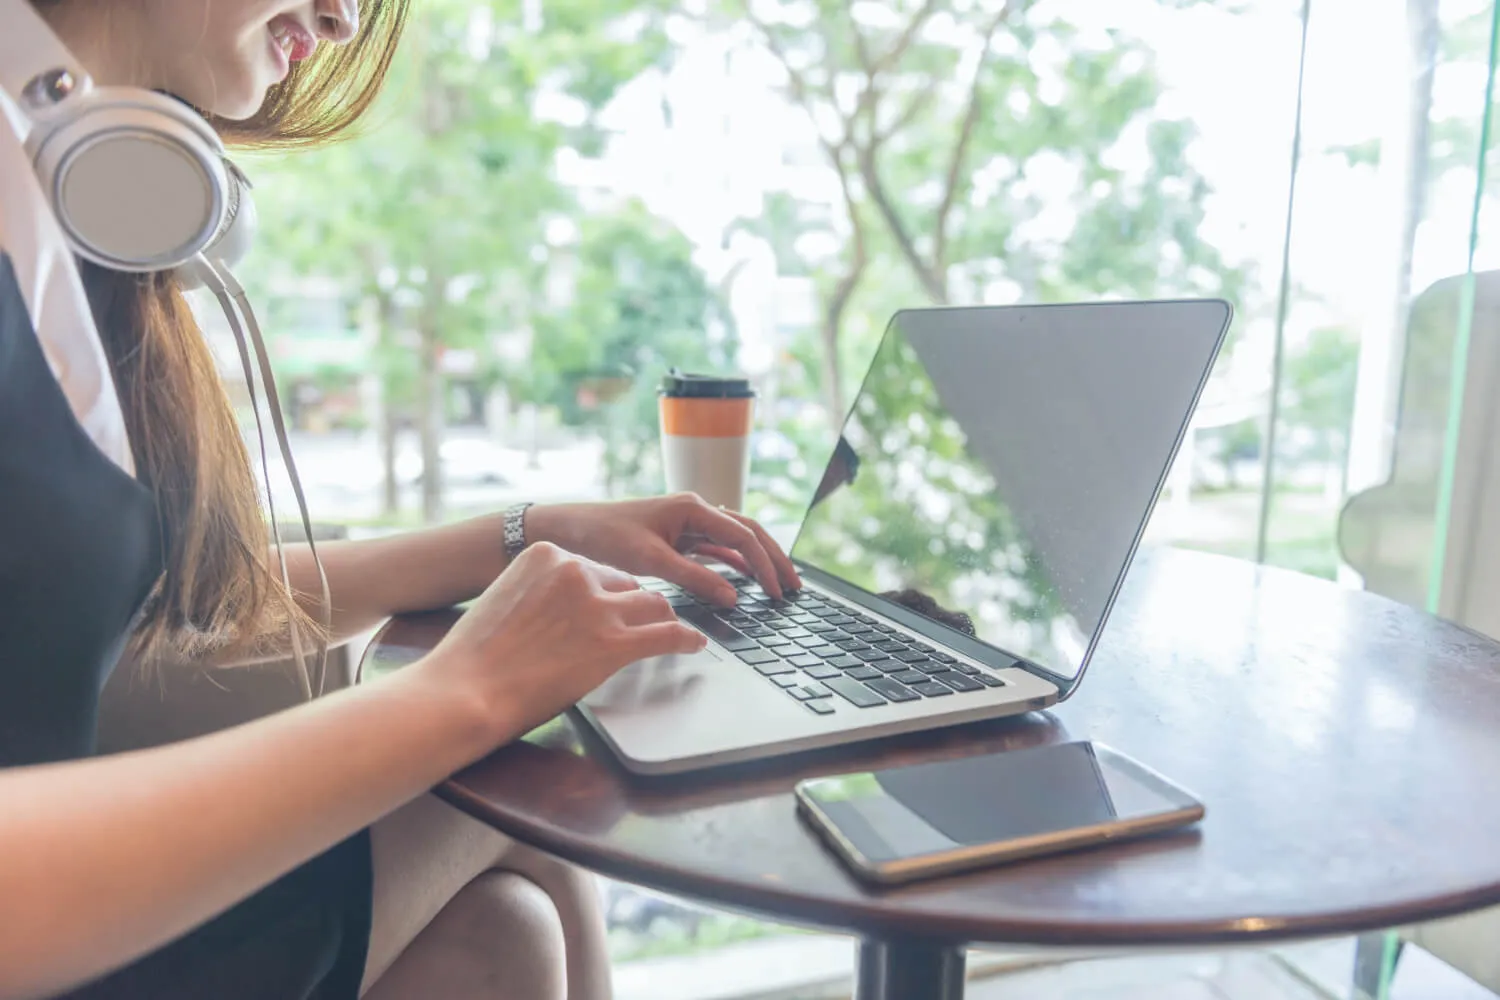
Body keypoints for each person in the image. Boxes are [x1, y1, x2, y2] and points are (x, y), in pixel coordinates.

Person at [0, 2, 802, 999]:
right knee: (508, 801)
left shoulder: (43, 176)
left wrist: (523, 535)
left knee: (508, 931)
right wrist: (460, 695)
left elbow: (159, 594)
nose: (339, 20)